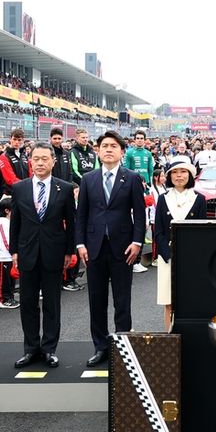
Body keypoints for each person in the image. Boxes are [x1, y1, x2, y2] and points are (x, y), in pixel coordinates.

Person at [76, 130, 147, 367]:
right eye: (104, 145)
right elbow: (82, 214)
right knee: (96, 300)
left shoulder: (133, 178)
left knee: (122, 299)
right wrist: (80, 243)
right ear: (97, 150)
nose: (108, 149)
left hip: (123, 248)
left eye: (113, 146)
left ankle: (122, 346)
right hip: (94, 248)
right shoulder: (88, 179)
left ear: (121, 152)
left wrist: (137, 242)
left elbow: (139, 214)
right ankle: (100, 346)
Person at [9, 142, 76, 369]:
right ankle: (30, 349)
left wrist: (69, 251)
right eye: (36, 159)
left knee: (52, 304)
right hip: (27, 253)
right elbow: (15, 222)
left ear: (53, 161)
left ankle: (49, 349)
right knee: (27, 303)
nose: (40, 163)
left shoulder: (65, 188)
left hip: (54, 253)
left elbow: (71, 223)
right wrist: (14, 251)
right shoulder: (19, 188)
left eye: (44, 159)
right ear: (30, 161)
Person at [153, 157, 207, 332]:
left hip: (191, 257)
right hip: (167, 256)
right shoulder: (162, 198)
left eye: (183, 172)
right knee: (168, 302)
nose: (179, 176)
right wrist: (166, 253)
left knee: (190, 299)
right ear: (168, 176)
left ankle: (190, 336)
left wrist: (193, 254)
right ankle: (170, 338)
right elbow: (158, 231)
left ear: (190, 175)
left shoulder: (199, 199)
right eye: (174, 173)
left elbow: (201, 231)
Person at [0, 197, 18, 309]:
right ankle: (4, 299)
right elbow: (5, 239)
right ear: (7, 210)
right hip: (4, 255)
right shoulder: (2, 222)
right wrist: (12, 250)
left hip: (10, 255)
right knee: (4, 279)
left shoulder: (9, 222)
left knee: (11, 277)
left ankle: (10, 297)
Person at [0, 128, 30, 196]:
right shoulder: (4, 156)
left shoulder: (24, 155)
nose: (17, 142)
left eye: (19, 140)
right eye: (14, 139)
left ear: (23, 140)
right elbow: (10, 179)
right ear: (10, 139)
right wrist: (27, 185)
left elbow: (30, 173)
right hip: (11, 193)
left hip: (26, 191)